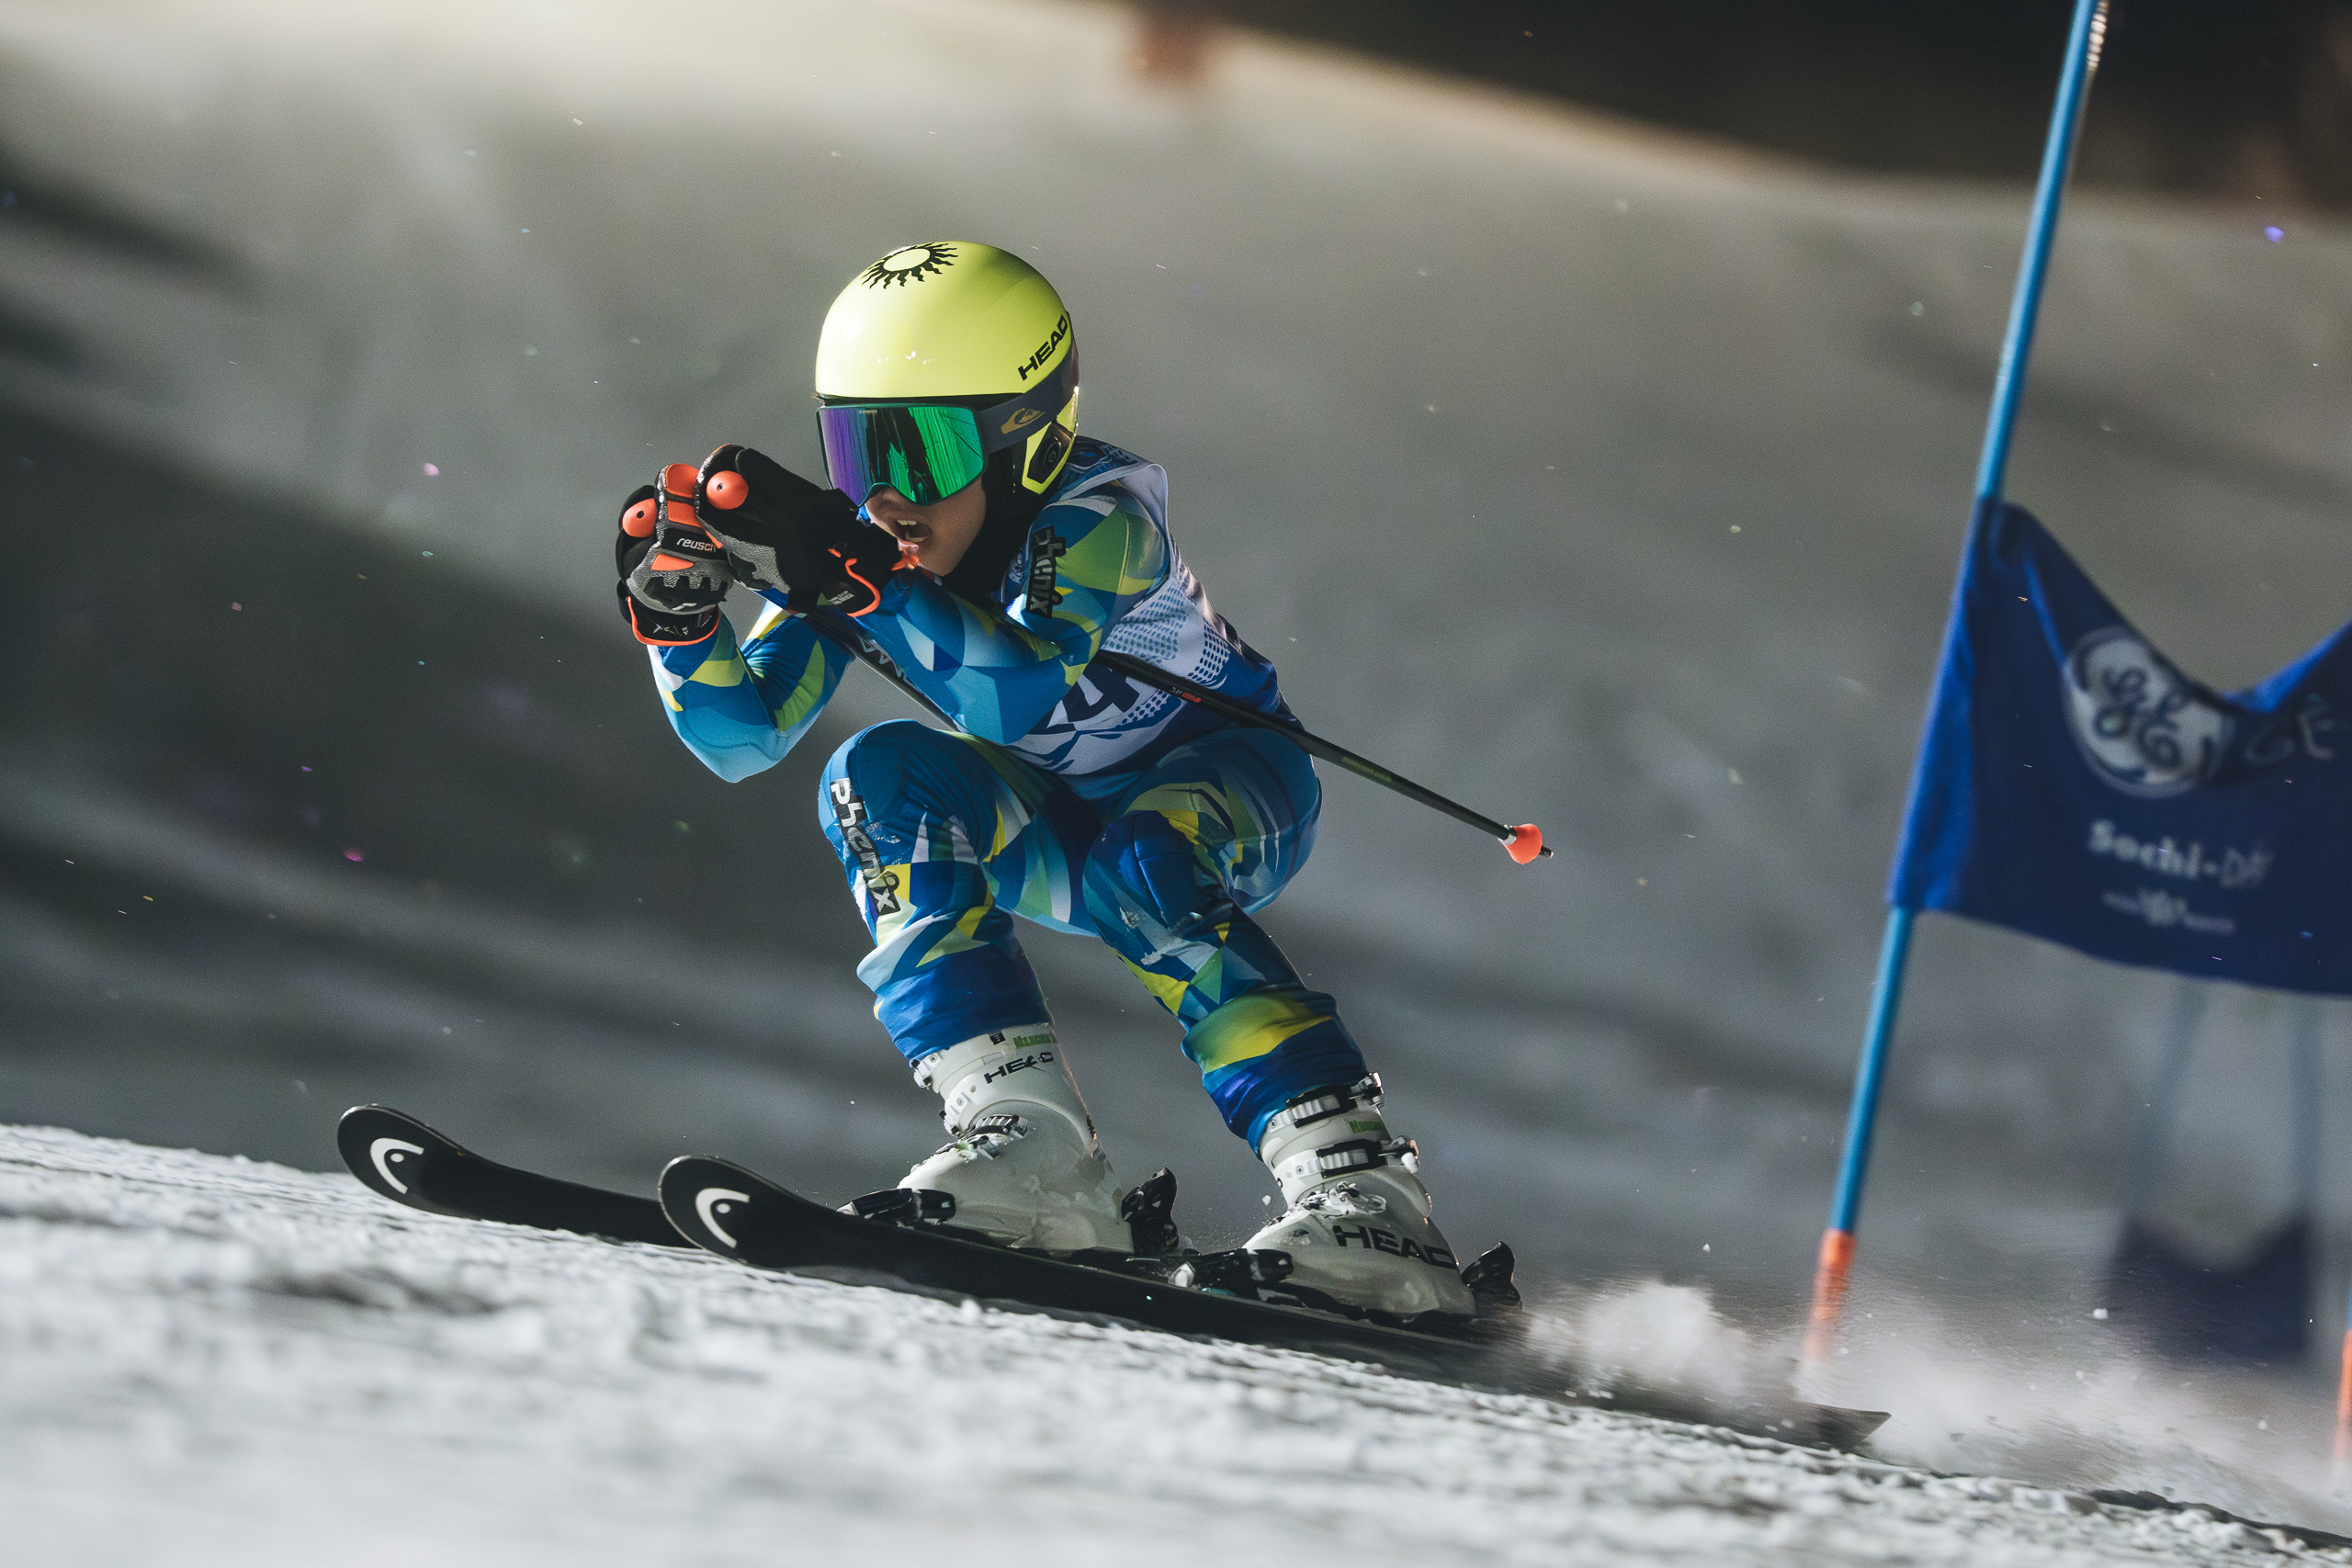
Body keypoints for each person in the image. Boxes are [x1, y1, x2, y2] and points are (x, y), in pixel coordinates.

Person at [613, 240, 1474, 1321]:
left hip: (1234, 786)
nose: (886, 496)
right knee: (874, 775)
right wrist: (681, 619)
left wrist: (858, 577)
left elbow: (1011, 694)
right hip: (1065, 824)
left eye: (921, 451)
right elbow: (740, 739)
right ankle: (1032, 1151)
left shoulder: (1098, 517)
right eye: (855, 450)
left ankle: (1365, 1193)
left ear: (1029, 442)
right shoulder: (877, 551)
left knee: (1142, 861)